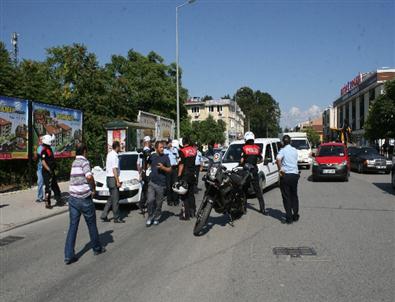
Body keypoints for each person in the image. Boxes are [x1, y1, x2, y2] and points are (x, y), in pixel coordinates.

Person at [64, 143, 105, 265]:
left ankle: (68, 255)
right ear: (85, 151)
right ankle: (97, 248)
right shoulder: (85, 162)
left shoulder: (74, 163)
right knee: (91, 224)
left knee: (73, 226)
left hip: (73, 198)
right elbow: (88, 176)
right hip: (84, 198)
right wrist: (93, 187)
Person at [240, 131, 267, 215]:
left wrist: (242, 162)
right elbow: (261, 159)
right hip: (254, 171)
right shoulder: (257, 148)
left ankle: (243, 209)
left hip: (246, 172)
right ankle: (262, 209)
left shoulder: (244, 148)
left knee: (244, 190)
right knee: (258, 190)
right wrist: (255, 161)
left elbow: (241, 160)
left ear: (246, 139)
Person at [146, 141, 172, 226]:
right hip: (152, 183)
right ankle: (150, 217)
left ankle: (156, 217)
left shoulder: (165, 158)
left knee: (158, 203)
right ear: (156, 148)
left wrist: (163, 167)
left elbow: (170, 169)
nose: (162, 149)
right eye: (160, 147)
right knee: (150, 200)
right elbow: (148, 164)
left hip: (161, 184)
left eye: (163, 147)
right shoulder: (153, 156)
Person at [276, 134, 300, 224]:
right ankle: (296, 215)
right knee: (294, 195)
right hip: (294, 175)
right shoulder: (294, 150)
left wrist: (280, 169)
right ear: (290, 141)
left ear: (283, 142)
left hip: (286, 175)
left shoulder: (282, 150)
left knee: (286, 196)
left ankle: (289, 218)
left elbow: (278, 159)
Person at [100, 141, 124, 223]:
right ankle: (116, 218)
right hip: (113, 179)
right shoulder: (115, 156)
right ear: (117, 147)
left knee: (111, 198)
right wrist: (117, 181)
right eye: (119, 146)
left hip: (108, 178)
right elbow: (114, 169)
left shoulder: (109, 154)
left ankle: (104, 215)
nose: (120, 148)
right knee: (115, 200)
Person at [40, 134, 63, 209]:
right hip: (47, 172)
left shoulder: (49, 149)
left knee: (55, 185)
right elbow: (43, 162)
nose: (52, 142)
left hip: (51, 171)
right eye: (51, 141)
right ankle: (47, 203)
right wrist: (49, 169)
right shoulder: (43, 151)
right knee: (48, 187)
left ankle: (59, 199)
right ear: (47, 142)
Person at [178, 137, 197, 220]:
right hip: (192, 174)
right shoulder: (194, 150)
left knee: (184, 195)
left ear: (183, 143)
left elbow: (181, 165)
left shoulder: (182, 151)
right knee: (191, 194)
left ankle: (186, 215)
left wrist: (179, 176)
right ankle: (193, 212)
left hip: (185, 175)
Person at [138, 136, 153, 214]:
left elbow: (138, 164)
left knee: (145, 189)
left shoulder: (141, 151)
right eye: (150, 142)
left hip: (144, 173)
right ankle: (143, 204)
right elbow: (147, 163)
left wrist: (140, 173)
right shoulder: (147, 151)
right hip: (147, 173)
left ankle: (142, 203)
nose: (151, 143)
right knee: (148, 189)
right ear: (147, 142)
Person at [164, 139, 179, 206]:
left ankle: (175, 200)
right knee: (168, 185)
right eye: (166, 143)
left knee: (175, 185)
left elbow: (178, 158)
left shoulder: (175, 149)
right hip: (168, 169)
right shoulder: (164, 150)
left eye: (168, 143)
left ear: (171, 143)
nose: (167, 144)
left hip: (174, 168)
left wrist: (177, 163)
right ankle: (169, 200)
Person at [35, 138, 44, 203]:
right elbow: (35, 158)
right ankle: (40, 197)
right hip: (40, 167)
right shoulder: (39, 148)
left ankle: (56, 195)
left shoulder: (47, 148)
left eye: (41, 140)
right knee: (40, 181)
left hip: (46, 167)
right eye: (39, 140)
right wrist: (35, 155)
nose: (40, 141)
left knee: (49, 183)